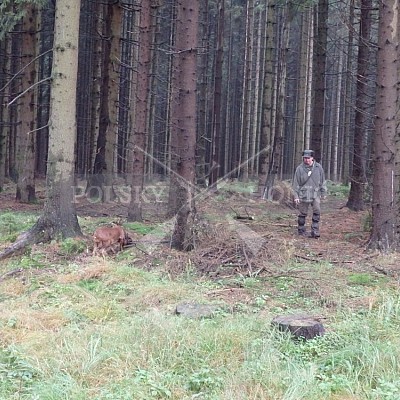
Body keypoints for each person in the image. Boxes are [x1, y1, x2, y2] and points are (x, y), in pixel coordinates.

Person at [292, 149, 327, 238]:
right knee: (302, 213)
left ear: (312, 158)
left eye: (308, 158)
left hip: (315, 194)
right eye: (305, 158)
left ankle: (315, 230)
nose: (306, 160)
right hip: (304, 194)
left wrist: (323, 192)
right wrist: (296, 196)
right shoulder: (299, 169)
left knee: (317, 211)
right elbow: (296, 184)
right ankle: (301, 230)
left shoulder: (318, 168)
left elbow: (322, 181)